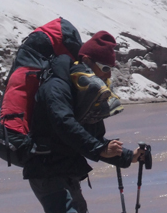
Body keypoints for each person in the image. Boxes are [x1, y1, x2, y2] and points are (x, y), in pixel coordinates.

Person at [23, 30, 144, 213]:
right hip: (47, 172)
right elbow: (65, 124)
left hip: (67, 171)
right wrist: (100, 149)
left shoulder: (83, 93)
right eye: (105, 68)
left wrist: (129, 157)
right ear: (87, 60)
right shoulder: (56, 87)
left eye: (111, 69)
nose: (108, 75)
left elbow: (93, 138)